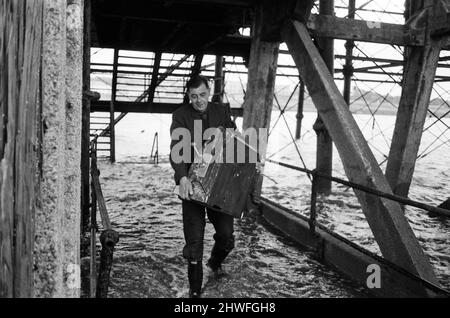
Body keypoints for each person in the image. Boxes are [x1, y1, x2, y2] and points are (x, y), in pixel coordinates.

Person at [169, 75, 236, 298]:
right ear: (188, 96)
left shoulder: (222, 111)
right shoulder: (180, 116)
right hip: (191, 183)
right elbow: (177, 151)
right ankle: (195, 294)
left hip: (219, 184)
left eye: (203, 95)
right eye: (193, 96)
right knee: (194, 242)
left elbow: (234, 140)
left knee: (227, 236)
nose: (199, 100)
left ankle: (213, 266)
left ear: (210, 91)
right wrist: (182, 178)